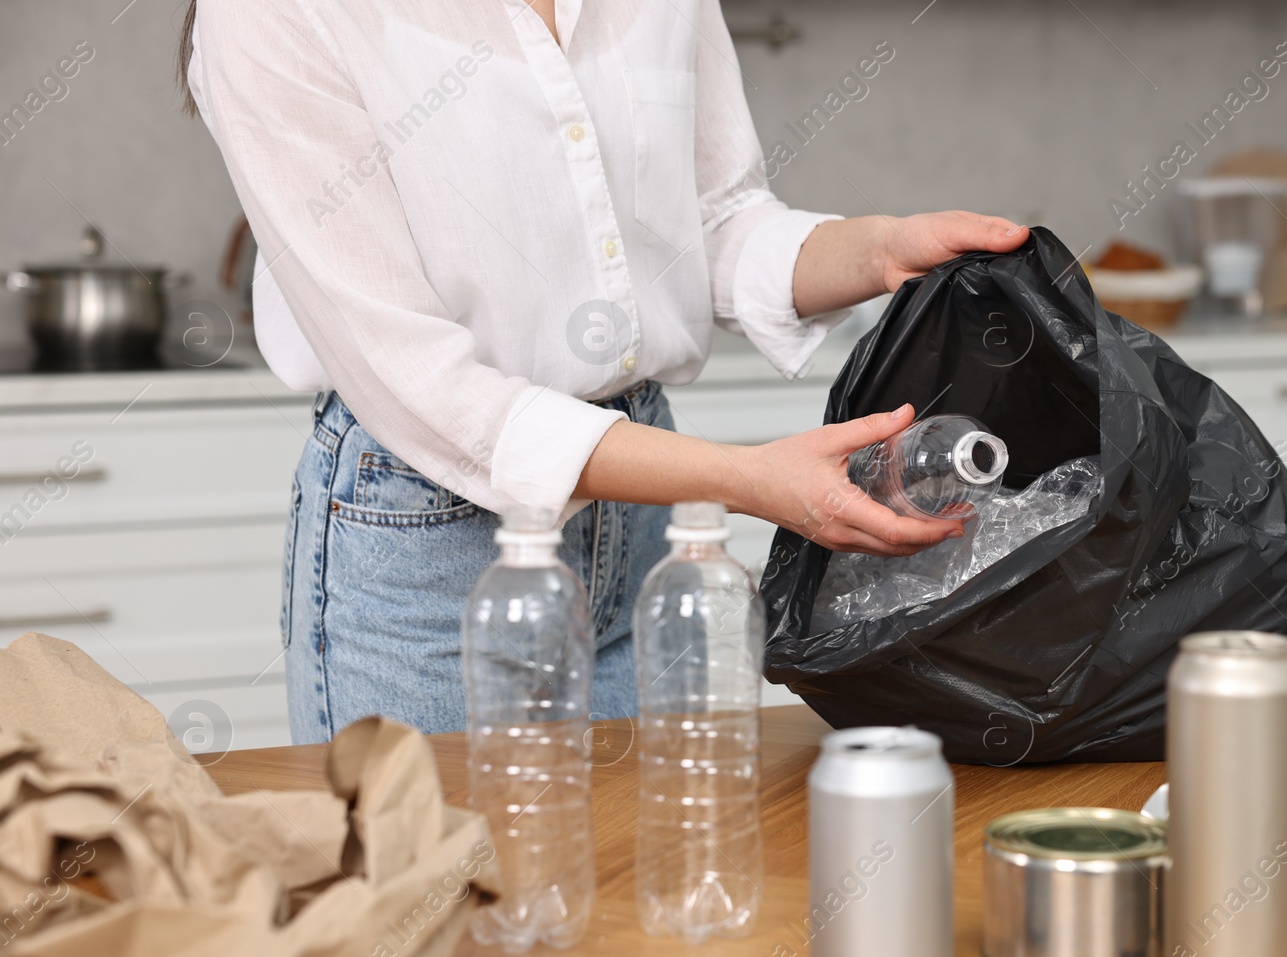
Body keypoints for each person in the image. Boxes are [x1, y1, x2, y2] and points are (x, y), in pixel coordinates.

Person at [179, 0, 1028, 743]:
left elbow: (708, 227)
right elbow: (421, 386)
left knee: (648, 880)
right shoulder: (271, 11)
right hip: (428, 549)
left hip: (646, 532)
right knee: (440, 902)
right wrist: (741, 478)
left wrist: (882, 249)